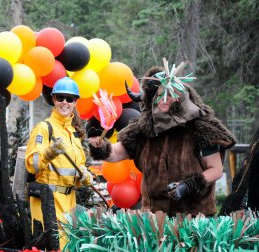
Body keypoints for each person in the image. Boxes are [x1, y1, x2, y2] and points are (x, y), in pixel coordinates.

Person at [88, 61, 236, 217]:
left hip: (194, 217)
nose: (164, 99)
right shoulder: (143, 128)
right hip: (153, 217)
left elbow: (216, 169)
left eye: (170, 94)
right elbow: (116, 153)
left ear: (180, 97)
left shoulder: (200, 126)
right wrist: (100, 147)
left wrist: (188, 185)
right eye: (160, 95)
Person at [25, 77, 92, 248]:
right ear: (54, 99)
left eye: (69, 99)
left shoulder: (73, 133)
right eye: (60, 97)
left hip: (69, 201)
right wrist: (48, 154)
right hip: (48, 200)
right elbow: (32, 164)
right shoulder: (44, 128)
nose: (64, 102)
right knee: (53, 247)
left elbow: (78, 166)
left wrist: (84, 177)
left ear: (75, 102)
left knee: (68, 247)